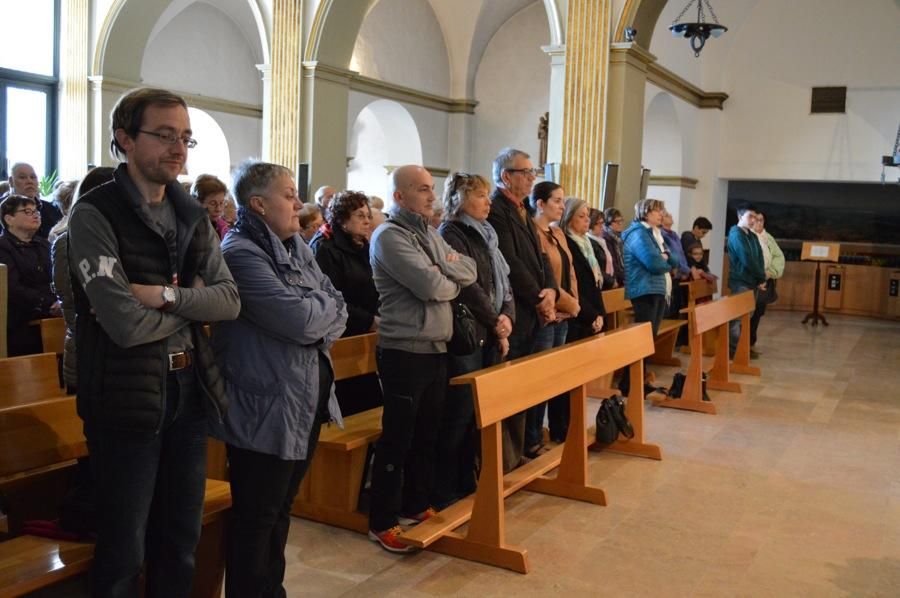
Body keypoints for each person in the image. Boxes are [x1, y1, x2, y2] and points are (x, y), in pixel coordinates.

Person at [67, 87, 240, 597]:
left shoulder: (189, 214)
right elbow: (123, 324)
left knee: (181, 541)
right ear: (124, 138)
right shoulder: (95, 214)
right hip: (124, 398)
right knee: (125, 550)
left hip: (189, 390)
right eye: (163, 135)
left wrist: (162, 296)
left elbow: (229, 300)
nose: (178, 148)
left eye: (185, 138)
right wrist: (190, 304)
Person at [210, 160, 347, 597]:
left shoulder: (293, 245)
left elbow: (336, 303)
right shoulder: (240, 253)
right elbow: (300, 320)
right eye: (288, 195)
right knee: (257, 515)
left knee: (280, 508)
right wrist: (319, 313)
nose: (299, 203)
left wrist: (319, 312)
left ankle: (272, 591)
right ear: (257, 203)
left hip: (303, 398)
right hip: (265, 404)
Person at [367, 165, 476, 553]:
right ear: (399, 197)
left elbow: (469, 269)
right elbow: (431, 285)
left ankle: (414, 505)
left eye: (433, 189)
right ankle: (381, 520)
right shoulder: (389, 236)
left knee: (428, 434)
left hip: (436, 348)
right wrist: (444, 274)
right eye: (422, 190)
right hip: (404, 350)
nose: (432, 196)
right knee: (398, 438)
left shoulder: (429, 232)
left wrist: (442, 269)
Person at [436, 172, 514, 508]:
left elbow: (503, 281)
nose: (488, 201)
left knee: (479, 413)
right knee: (460, 412)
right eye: (480, 195)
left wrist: (507, 314)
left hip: (491, 331)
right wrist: (495, 320)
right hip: (469, 335)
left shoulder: (488, 235)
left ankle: (467, 478)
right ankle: (446, 486)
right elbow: (468, 286)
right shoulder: (451, 233)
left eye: (486, 194)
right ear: (460, 198)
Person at [486, 148, 557, 472]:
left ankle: (516, 454)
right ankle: (504, 459)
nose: (532, 178)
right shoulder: (497, 210)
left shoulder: (522, 210)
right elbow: (510, 261)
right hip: (515, 312)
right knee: (509, 389)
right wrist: (537, 297)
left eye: (533, 172)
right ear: (506, 176)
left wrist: (551, 292)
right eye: (525, 172)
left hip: (532, 310)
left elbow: (540, 257)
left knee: (524, 388)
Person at [310, 190, 383, 416]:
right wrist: (369, 320)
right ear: (341, 219)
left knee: (371, 406)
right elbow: (330, 298)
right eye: (360, 215)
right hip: (342, 335)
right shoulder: (325, 248)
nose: (367, 220)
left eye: (368, 215)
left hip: (365, 335)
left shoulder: (362, 246)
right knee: (350, 405)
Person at [51, 167, 116, 392]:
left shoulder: (120, 238)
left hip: (120, 356)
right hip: (87, 348)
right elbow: (71, 299)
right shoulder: (66, 242)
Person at [527, 181, 579, 449]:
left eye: (562, 200)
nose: (562, 206)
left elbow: (569, 270)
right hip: (547, 314)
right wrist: (568, 303)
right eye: (557, 200)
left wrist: (574, 303)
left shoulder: (557, 233)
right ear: (540, 203)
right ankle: (532, 438)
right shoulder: (532, 233)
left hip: (564, 314)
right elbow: (543, 277)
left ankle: (541, 431)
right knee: (540, 380)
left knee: (553, 381)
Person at [620, 198, 680, 397]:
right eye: (657, 211)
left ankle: (638, 380)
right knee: (643, 340)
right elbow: (654, 263)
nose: (661, 214)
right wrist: (664, 259)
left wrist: (665, 258)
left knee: (649, 339)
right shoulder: (638, 234)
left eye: (662, 211)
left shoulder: (655, 234)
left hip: (656, 288)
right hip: (644, 289)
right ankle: (629, 384)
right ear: (644, 213)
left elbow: (674, 260)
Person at [0, 194, 62, 356]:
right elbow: (12, 287)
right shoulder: (3, 247)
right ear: (9, 219)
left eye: (36, 211)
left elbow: (59, 275)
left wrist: (61, 301)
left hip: (53, 313)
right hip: (22, 321)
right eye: (27, 212)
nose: (35, 215)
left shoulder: (43, 244)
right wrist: (48, 303)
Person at [562, 197, 606, 343]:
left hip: (592, 311)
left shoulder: (587, 243)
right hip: (578, 315)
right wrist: (591, 315)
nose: (587, 220)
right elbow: (573, 284)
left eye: (587, 215)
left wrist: (600, 314)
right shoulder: (566, 243)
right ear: (568, 218)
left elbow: (595, 283)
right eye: (581, 216)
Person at [726, 203, 766, 359]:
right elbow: (747, 259)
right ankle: (733, 352)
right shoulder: (736, 234)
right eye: (750, 216)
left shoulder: (751, 235)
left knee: (747, 317)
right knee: (737, 318)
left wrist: (761, 277)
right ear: (740, 217)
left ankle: (742, 349)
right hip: (741, 281)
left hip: (752, 281)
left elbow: (759, 257)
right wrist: (760, 277)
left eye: (755, 217)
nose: (753, 220)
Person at [749, 210, 784, 355]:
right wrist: (758, 277)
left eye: (761, 220)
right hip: (751, 282)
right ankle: (740, 346)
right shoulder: (746, 236)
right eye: (756, 219)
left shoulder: (768, 238)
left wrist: (771, 273)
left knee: (758, 313)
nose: (758, 222)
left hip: (766, 280)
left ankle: (751, 344)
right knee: (747, 314)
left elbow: (778, 256)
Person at [5, 162, 63, 238]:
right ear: (11, 181)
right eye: (22, 177)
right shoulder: (3, 208)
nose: (29, 181)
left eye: (33, 177)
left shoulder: (50, 209)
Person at [190, 174, 229, 240]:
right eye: (213, 203)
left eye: (221, 203)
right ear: (197, 202)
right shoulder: (191, 230)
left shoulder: (223, 227)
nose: (218, 209)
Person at [587, 208, 617, 290]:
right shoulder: (589, 242)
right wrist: (611, 281)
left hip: (609, 284)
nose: (602, 227)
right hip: (599, 285)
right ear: (590, 224)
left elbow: (612, 262)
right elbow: (595, 267)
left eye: (602, 223)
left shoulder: (602, 241)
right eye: (598, 223)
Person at [602, 207, 626, 287]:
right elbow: (613, 263)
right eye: (616, 221)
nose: (620, 224)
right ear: (608, 223)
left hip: (624, 278)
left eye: (621, 221)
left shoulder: (620, 237)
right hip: (615, 280)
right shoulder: (605, 238)